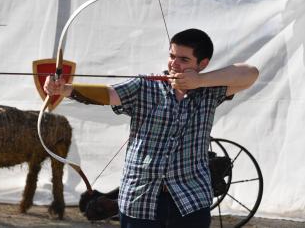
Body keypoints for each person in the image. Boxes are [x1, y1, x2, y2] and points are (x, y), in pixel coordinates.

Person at [44, 28, 259, 228]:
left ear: (202, 63)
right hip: (140, 199)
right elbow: (109, 94)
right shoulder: (145, 86)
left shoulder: (209, 90)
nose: (174, 64)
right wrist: (66, 89)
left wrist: (200, 81)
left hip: (191, 199)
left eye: (184, 59)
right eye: (172, 56)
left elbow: (251, 73)